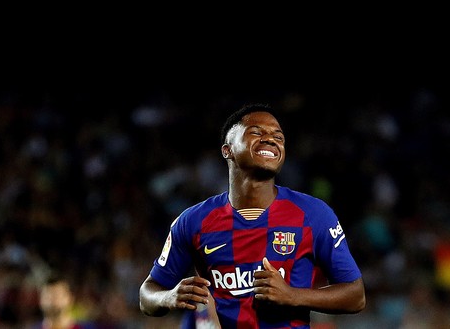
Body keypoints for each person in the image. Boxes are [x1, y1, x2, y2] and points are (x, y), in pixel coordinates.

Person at [139, 103, 366, 328]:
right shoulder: (193, 221)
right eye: (256, 132)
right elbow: (147, 295)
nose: (271, 139)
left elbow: (356, 295)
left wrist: (293, 295)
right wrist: (168, 297)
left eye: (279, 136)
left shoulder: (314, 214)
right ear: (227, 150)